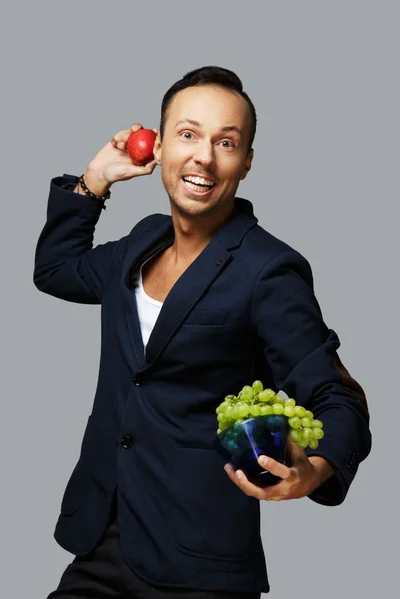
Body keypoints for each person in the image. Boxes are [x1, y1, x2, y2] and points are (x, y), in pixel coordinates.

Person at [34, 66, 371, 598]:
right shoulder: (143, 241)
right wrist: (94, 180)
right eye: (188, 135)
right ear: (160, 146)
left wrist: (317, 470)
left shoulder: (269, 269)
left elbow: (337, 396)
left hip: (198, 561)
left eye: (227, 142)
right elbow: (56, 270)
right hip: (103, 534)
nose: (204, 157)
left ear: (247, 162)